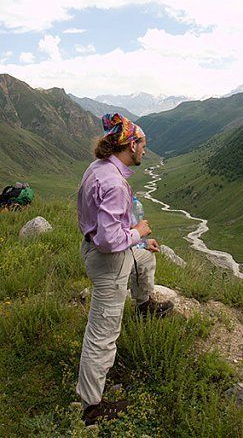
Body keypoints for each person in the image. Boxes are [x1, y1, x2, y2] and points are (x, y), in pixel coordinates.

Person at [75, 113, 173, 425]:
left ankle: (144, 304)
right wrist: (139, 233)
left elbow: (111, 227)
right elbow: (109, 240)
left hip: (102, 249)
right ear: (131, 145)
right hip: (108, 261)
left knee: (146, 260)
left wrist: (141, 245)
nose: (145, 150)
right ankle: (92, 407)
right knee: (102, 332)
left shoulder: (99, 168)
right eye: (143, 145)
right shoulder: (115, 183)